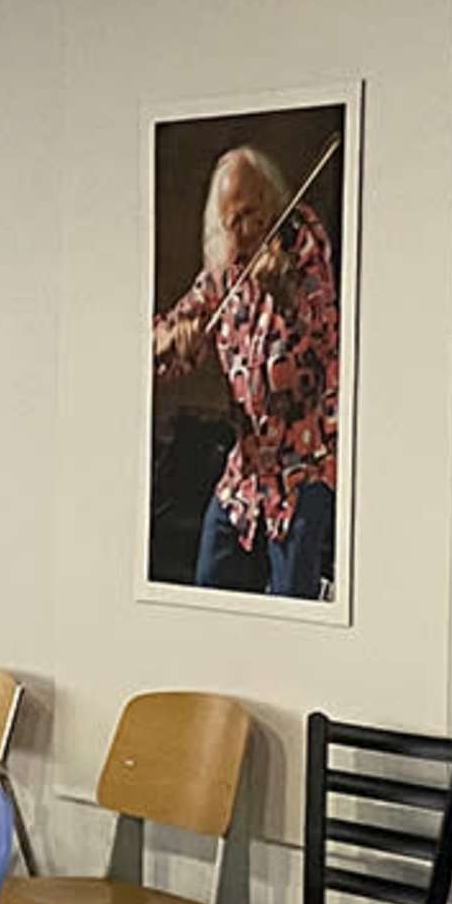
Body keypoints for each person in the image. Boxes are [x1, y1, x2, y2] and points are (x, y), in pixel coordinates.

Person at [151, 144, 342, 599]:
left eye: (255, 214)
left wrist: (286, 299)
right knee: (208, 589)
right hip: (247, 473)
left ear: (275, 204)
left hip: (304, 466)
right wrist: (171, 340)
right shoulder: (224, 269)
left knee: (291, 610)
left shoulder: (304, 249)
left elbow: (323, 349)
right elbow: (168, 338)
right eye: (232, 220)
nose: (247, 230)